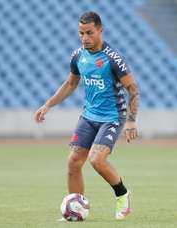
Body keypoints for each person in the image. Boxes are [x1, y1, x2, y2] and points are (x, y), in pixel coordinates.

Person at [34, 11, 139, 220]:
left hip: (111, 117)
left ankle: (123, 194)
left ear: (101, 30)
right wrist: (48, 105)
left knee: (96, 159)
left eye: (89, 33)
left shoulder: (113, 58)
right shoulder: (78, 56)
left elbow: (133, 89)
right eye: (81, 33)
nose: (85, 38)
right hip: (89, 116)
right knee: (73, 162)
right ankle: (75, 209)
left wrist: (131, 121)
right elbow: (71, 84)